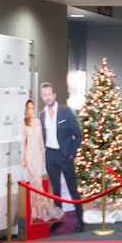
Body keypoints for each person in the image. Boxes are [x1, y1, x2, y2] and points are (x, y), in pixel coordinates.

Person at [38, 82, 84, 231]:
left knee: (73, 189)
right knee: (56, 191)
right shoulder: (42, 115)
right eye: (44, 95)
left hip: (65, 155)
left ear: (54, 95)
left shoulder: (65, 111)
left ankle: (80, 221)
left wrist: (72, 154)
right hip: (50, 156)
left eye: (49, 94)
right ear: (42, 96)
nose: (47, 97)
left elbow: (78, 134)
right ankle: (57, 220)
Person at [20, 100, 61, 226]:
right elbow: (23, 143)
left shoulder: (38, 122)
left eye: (32, 108)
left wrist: (44, 157)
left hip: (38, 154)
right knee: (33, 183)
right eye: (29, 108)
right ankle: (35, 210)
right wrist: (24, 159)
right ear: (26, 110)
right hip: (29, 155)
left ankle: (42, 210)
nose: (31, 110)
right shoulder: (24, 124)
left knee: (39, 182)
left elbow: (42, 140)